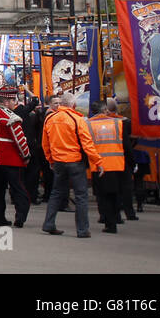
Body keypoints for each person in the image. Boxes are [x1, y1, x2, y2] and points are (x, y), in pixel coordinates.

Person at [40, 92, 102, 238]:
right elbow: (87, 144)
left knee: (56, 193)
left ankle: (49, 224)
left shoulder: (50, 119)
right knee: (81, 195)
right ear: (73, 105)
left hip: (58, 162)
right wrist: (97, 161)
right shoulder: (77, 119)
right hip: (74, 161)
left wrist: (50, 160)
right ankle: (82, 230)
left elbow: (45, 143)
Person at [0, 92, 32, 228]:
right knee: (18, 188)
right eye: (12, 101)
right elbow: (19, 138)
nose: (13, 104)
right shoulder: (10, 117)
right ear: (6, 102)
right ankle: (20, 216)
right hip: (10, 157)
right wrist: (26, 155)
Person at [88, 99, 126, 234]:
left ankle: (109, 222)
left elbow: (87, 145)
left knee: (103, 196)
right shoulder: (118, 123)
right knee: (115, 194)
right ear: (105, 110)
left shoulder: (89, 124)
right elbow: (125, 143)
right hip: (117, 162)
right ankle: (117, 217)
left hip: (98, 164)